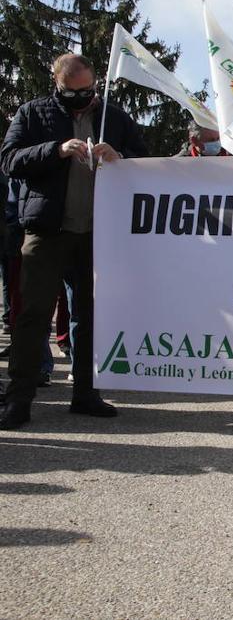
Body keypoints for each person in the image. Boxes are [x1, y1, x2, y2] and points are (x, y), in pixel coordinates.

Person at [0, 53, 146, 430]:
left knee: (89, 316)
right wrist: (56, 150)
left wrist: (121, 157)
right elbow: (10, 159)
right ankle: (19, 399)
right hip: (46, 231)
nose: (83, 98)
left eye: (88, 90)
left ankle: (85, 392)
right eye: (73, 92)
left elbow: (146, 162)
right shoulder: (33, 113)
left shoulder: (115, 117)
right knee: (32, 316)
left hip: (98, 234)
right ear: (57, 83)